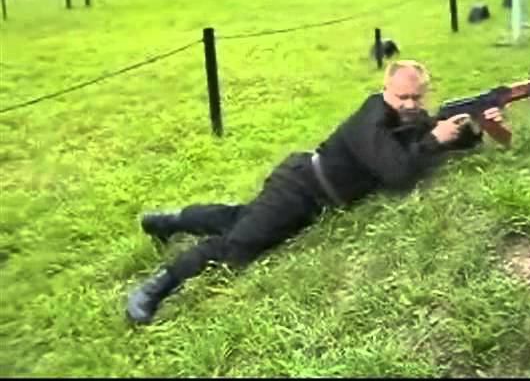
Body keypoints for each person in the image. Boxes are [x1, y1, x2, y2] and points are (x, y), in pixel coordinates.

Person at [126, 60, 505, 324]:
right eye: (401, 97)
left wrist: (474, 129)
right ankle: (156, 288)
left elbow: (428, 143)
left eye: (416, 98)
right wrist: (435, 140)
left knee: (241, 218)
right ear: (385, 91)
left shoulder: (413, 119)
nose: (409, 105)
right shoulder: (370, 117)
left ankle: (170, 221)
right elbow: (398, 173)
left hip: (314, 197)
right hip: (300, 186)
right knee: (238, 246)